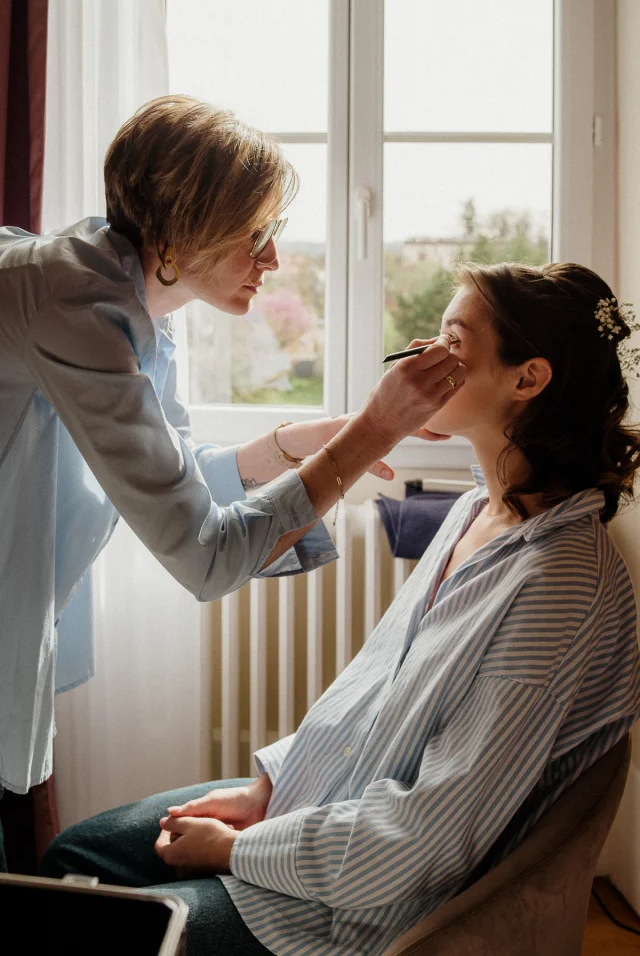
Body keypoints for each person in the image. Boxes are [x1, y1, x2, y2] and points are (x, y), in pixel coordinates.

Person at [42, 261, 640, 956]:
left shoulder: (558, 583)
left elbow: (428, 837)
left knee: (80, 919)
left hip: (347, 915)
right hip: (323, 811)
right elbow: (372, 697)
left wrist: (236, 851)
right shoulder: (479, 509)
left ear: (527, 379)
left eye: (451, 340)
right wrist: (267, 789)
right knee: (74, 854)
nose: (419, 357)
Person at [0, 97, 462, 838]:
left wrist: (311, 439)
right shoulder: (74, 300)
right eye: (258, 234)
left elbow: (180, 475)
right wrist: (370, 433)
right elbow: (204, 555)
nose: (273, 258)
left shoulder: (138, 308)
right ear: (184, 227)